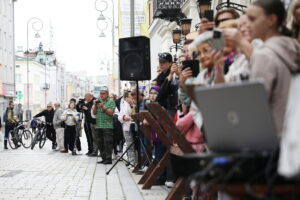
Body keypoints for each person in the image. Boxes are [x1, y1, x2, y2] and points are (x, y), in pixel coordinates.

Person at [92, 86, 116, 164]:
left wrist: (103, 107)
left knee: (107, 143)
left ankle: (108, 159)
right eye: (101, 93)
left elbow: (111, 113)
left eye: (103, 93)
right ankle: (103, 158)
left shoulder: (111, 101)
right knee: (100, 143)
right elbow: (94, 113)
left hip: (107, 126)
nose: (102, 95)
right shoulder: (98, 101)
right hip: (99, 125)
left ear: (107, 94)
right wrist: (95, 105)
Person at [117, 92, 137, 165]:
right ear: (126, 98)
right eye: (129, 97)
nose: (131, 98)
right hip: (127, 127)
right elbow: (120, 116)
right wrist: (124, 118)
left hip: (131, 127)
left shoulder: (130, 105)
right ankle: (132, 161)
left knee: (131, 145)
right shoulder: (125, 105)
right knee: (130, 145)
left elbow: (133, 115)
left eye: (131, 96)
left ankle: (132, 160)